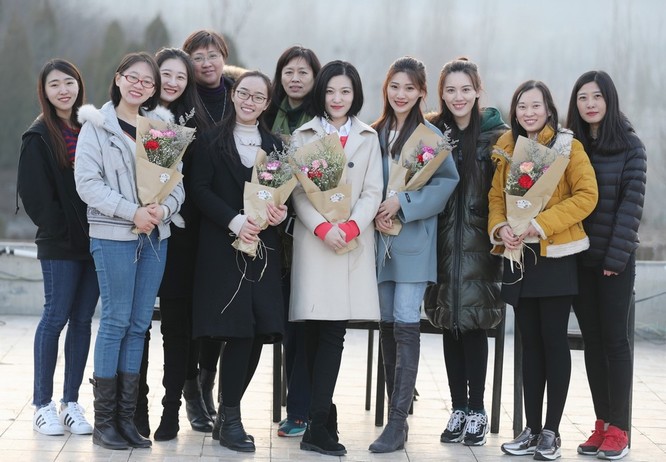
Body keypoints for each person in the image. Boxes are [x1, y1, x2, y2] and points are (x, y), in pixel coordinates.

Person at [74, 52, 184, 450]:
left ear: (154, 90)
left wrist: (162, 211)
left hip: (155, 237)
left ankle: (125, 419)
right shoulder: (96, 127)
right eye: (132, 78)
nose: (139, 86)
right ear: (118, 78)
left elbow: (178, 185)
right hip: (113, 236)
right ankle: (104, 422)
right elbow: (88, 184)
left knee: (139, 325)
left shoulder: (161, 128)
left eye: (147, 82)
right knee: (116, 322)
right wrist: (132, 212)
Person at [488, 80, 598, 460]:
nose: (529, 113)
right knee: (529, 345)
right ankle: (530, 429)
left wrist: (540, 224)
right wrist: (500, 227)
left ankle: (551, 431)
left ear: (549, 109)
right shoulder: (506, 147)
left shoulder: (568, 146)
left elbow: (587, 196)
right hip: (519, 258)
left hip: (555, 255)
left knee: (553, 342)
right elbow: (496, 197)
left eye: (536, 106)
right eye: (522, 106)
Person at [189, 71, 287, 453]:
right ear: (233, 95)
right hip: (221, 248)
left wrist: (281, 213)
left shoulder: (276, 147)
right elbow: (199, 190)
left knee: (259, 332)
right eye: (244, 93)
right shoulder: (210, 140)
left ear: (266, 104)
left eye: (258, 97)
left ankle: (227, 413)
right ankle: (230, 420)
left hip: (262, 250)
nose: (249, 101)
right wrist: (234, 221)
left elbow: (281, 196)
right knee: (239, 332)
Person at [290, 60, 383, 456]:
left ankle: (317, 424)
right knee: (312, 334)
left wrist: (352, 226)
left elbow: (373, 191)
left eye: (345, 91)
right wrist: (322, 228)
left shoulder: (368, 136)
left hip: (350, 244)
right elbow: (296, 192)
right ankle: (320, 419)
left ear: (355, 94)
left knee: (333, 333)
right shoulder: (304, 135)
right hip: (316, 244)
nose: (337, 98)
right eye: (330, 91)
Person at [369, 56, 459, 453]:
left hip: (413, 240)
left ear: (422, 92)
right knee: (388, 323)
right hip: (377, 241)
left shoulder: (431, 138)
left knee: (406, 320)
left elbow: (444, 185)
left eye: (409, 87)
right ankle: (397, 412)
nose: (401, 94)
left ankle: (396, 422)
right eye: (395, 86)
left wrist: (402, 202)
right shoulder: (372, 133)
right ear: (386, 88)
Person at [422, 58, 506, 447]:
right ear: (442, 93)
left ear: (477, 91)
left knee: (473, 326)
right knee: (449, 325)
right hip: (439, 244)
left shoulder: (497, 138)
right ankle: (458, 408)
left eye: (465, 89)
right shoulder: (431, 133)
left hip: (480, 246)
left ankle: (477, 410)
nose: (458, 97)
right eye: (450, 90)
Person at [566, 71, 647, 461]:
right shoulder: (571, 146)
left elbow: (631, 209)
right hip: (579, 259)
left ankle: (620, 429)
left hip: (614, 262)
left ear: (609, 100)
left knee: (615, 342)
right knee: (593, 343)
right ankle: (601, 423)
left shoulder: (631, 146)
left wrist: (614, 259)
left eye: (596, 96)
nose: (590, 104)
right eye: (582, 97)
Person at [17, 59, 99, 437]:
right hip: (61, 244)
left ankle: (71, 403)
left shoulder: (91, 127)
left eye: (69, 82)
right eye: (54, 85)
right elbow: (36, 198)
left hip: (97, 241)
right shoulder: (37, 136)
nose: (63, 90)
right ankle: (42, 405)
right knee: (55, 318)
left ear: (79, 85)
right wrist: (65, 230)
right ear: (45, 92)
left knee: (82, 320)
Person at [137, 47, 214, 441]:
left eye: (181, 76)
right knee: (137, 325)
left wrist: (168, 207)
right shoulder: (133, 115)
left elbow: (197, 184)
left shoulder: (197, 125)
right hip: (135, 229)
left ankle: (171, 411)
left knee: (176, 328)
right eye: (165, 74)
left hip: (182, 236)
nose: (172, 82)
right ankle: (137, 407)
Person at [266, 45, 321, 438]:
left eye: (303, 72)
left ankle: (301, 408)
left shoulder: (323, 122)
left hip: (313, 233)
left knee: (307, 326)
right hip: (271, 237)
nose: (296, 78)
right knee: (288, 327)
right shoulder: (266, 115)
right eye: (289, 71)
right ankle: (299, 404)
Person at [181, 29, 233, 422]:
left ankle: (207, 382)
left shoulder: (239, 95)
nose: (206, 63)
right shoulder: (181, 100)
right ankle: (189, 389)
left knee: (220, 304)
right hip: (185, 217)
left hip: (228, 216)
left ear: (223, 57)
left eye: (212, 55)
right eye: (197, 57)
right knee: (187, 308)